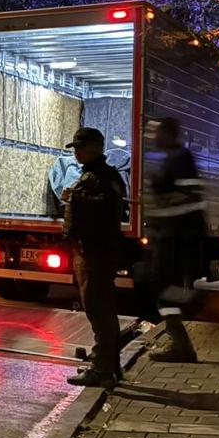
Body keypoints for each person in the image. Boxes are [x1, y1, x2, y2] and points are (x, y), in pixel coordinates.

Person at [62, 127, 128, 387]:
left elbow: (106, 210)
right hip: (89, 250)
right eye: (75, 147)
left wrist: (76, 198)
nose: (76, 152)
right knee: (97, 307)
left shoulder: (104, 177)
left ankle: (102, 368)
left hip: (96, 251)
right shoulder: (92, 175)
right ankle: (107, 363)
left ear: (95, 148)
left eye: (80, 146)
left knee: (98, 307)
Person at [145, 117, 205, 363]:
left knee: (160, 284)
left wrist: (161, 207)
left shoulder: (181, 158)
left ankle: (189, 310)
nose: (151, 137)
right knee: (158, 285)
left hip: (176, 235)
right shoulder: (173, 158)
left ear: (167, 134)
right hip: (169, 234)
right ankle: (179, 341)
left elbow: (189, 196)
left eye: (154, 132)